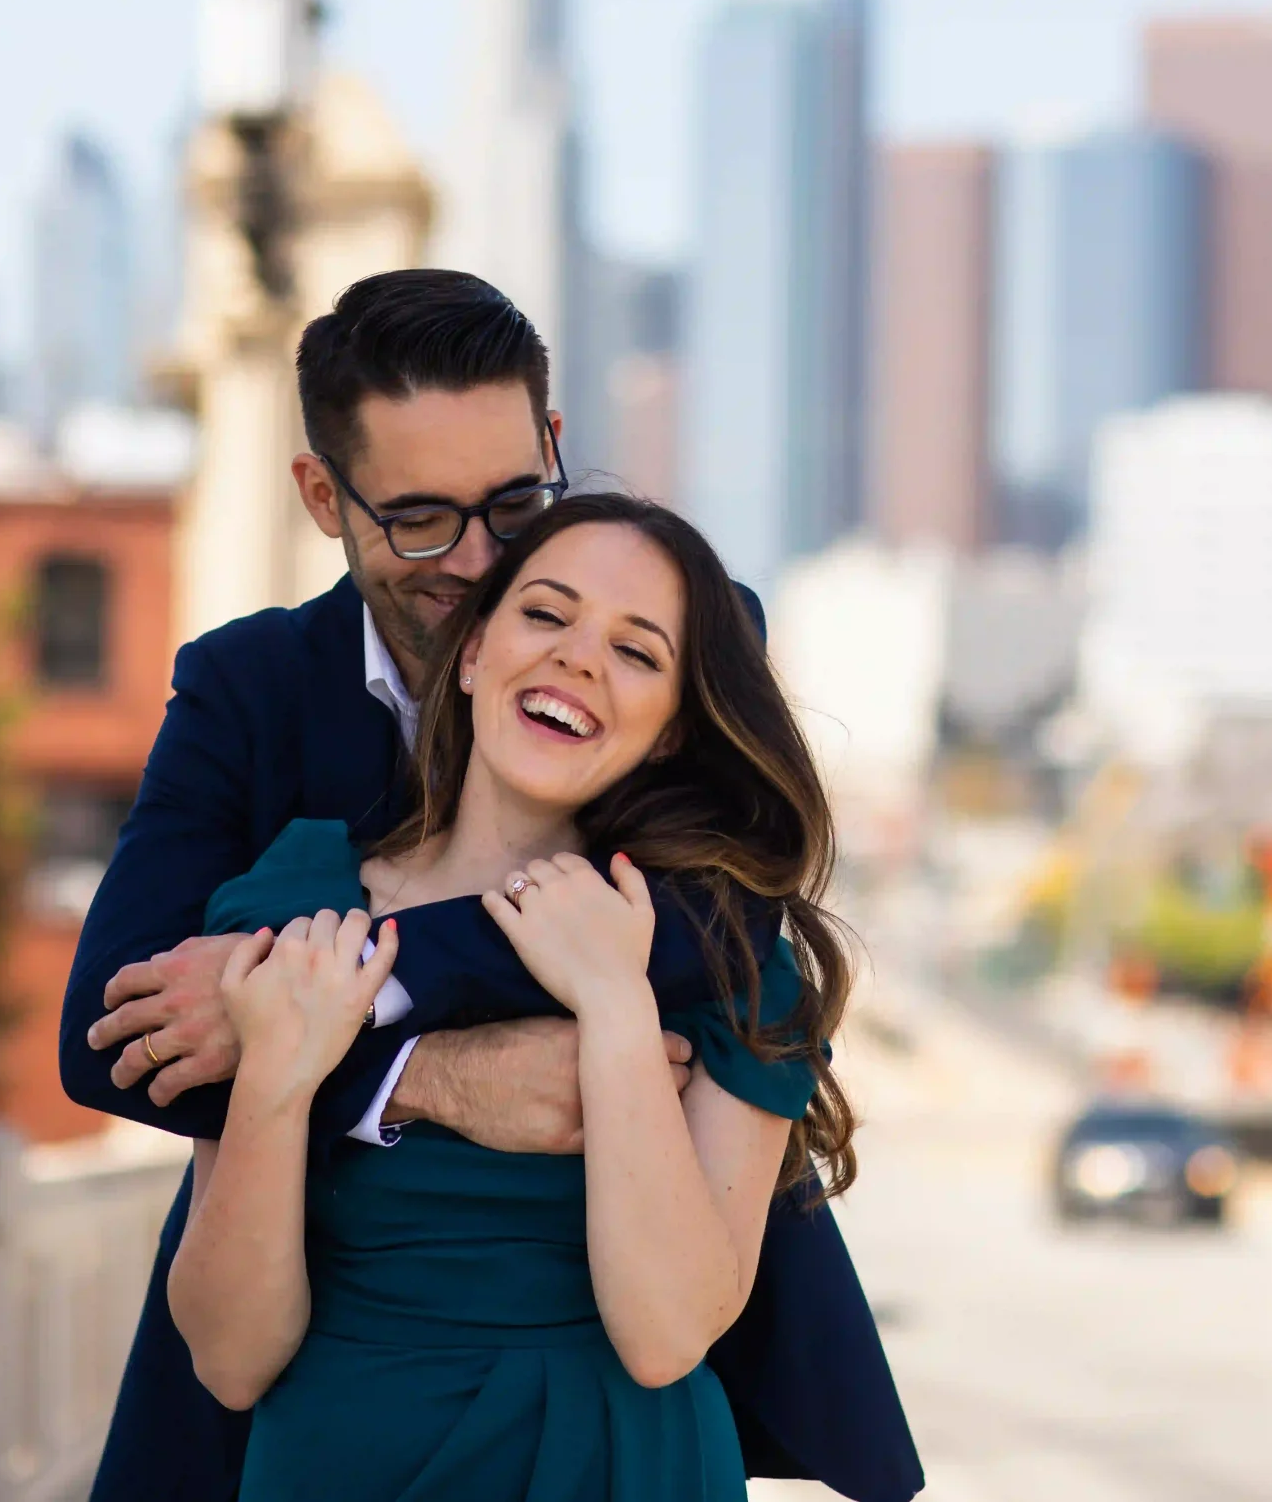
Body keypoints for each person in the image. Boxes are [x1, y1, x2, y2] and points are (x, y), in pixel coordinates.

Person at [57, 269, 921, 1502]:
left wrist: (371, 980)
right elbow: (124, 1039)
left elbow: (709, 914)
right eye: (419, 518)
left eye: (513, 502)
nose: (475, 562)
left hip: (626, 1421)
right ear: (322, 495)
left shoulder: (679, 617)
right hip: (327, 1420)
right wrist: (418, 1070)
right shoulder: (253, 705)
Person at [170, 493, 864, 1500]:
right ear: (469, 655)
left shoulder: (731, 959)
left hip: (624, 1463)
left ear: (672, 733)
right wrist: (276, 1075)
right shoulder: (289, 901)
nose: (578, 659)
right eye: (545, 614)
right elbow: (230, 1360)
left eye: (636, 652)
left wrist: (614, 1005)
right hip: (344, 1459)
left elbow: (668, 1332)